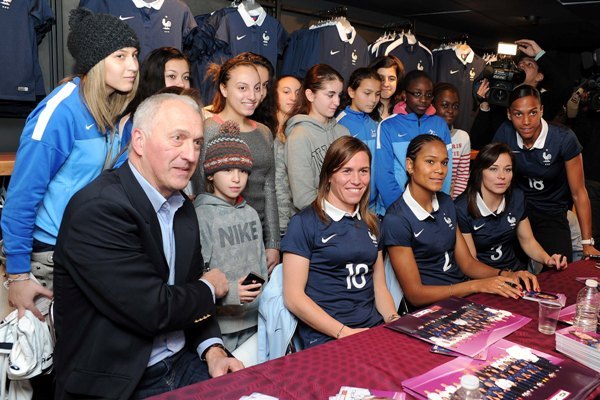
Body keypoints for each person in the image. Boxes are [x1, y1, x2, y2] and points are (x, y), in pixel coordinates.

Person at [53, 93, 244, 399]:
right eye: (178, 138)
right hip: (119, 380)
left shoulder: (182, 207)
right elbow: (152, 308)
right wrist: (211, 288)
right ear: (139, 142)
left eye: (196, 142)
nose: (190, 155)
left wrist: (214, 351)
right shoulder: (98, 209)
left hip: (182, 363)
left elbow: (190, 294)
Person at [0, 7, 140, 320]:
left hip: (93, 246)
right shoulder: (59, 113)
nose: (132, 66)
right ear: (95, 61)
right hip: (52, 254)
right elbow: (21, 199)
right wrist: (19, 275)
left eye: (134, 55)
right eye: (120, 56)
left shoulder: (117, 110)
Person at [381, 135, 539, 310]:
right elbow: (416, 294)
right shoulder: (396, 219)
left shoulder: (446, 202)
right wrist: (475, 285)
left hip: (463, 296)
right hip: (432, 308)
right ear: (410, 165)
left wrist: (506, 275)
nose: (440, 170)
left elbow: (467, 264)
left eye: (444, 162)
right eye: (430, 162)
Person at [282, 136, 398, 349]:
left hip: (372, 328)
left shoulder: (373, 223)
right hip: (327, 337)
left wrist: (393, 320)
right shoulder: (304, 223)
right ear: (328, 176)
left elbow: (379, 286)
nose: (357, 180)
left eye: (363, 171)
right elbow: (293, 297)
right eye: (347, 171)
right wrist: (344, 333)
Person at [493, 85, 600, 262]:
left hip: (551, 213)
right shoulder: (505, 132)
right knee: (510, 269)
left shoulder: (563, 138)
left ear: (542, 110)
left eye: (533, 112)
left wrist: (587, 242)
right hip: (516, 210)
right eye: (518, 114)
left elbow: (579, 192)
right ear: (509, 114)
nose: (526, 121)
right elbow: (490, 175)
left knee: (559, 266)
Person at [194, 56, 280, 272]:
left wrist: (272, 243)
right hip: (222, 238)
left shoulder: (264, 132)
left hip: (256, 233)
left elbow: (269, 188)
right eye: (242, 88)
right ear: (224, 88)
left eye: (257, 88)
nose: (252, 96)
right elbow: (199, 189)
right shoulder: (208, 130)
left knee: (255, 297)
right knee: (227, 298)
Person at [194, 120, 268, 352]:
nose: (236, 178)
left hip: (256, 320)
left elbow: (261, 264)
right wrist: (231, 294)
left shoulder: (251, 213)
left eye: (243, 171)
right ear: (210, 175)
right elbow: (197, 276)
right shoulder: (201, 215)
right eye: (227, 170)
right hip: (220, 327)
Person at [455, 142, 567, 272]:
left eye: (507, 169)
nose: (502, 176)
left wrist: (547, 259)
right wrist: (504, 277)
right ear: (480, 171)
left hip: (515, 271)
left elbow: (528, 241)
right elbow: (471, 263)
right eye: (493, 169)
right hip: (484, 278)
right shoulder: (461, 208)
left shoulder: (517, 197)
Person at [375, 70, 452, 214]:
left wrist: (439, 205)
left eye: (428, 95)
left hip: (431, 208)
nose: (423, 100)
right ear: (404, 94)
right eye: (417, 94)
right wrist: (401, 210)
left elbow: (446, 169)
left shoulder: (440, 125)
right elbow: (384, 174)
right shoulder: (388, 126)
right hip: (395, 209)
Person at [471, 39, 571, 149]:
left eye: (529, 64)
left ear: (539, 76)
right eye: (520, 63)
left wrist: (539, 54)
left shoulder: (543, 101)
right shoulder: (501, 98)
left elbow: (565, 88)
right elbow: (477, 142)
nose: (522, 66)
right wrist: (485, 104)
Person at [284, 64, 350, 213]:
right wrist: (337, 212)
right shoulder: (299, 136)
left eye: (339, 95)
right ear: (310, 95)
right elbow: (303, 198)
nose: (337, 102)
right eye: (330, 95)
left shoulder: (343, 132)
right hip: (316, 222)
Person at [114, 46, 192, 167]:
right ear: (154, 79)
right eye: (172, 76)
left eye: (186, 77)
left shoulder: (191, 120)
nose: (182, 84)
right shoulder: (133, 123)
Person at [336, 67, 382, 212]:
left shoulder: (375, 124)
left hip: (373, 205)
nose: (373, 99)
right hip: (348, 205)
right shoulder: (339, 123)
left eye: (377, 94)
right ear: (351, 92)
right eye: (367, 93)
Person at [272, 75, 302, 236]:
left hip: (298, 218)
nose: (293, 97)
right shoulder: (266, 131)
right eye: (286, 91)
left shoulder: (302, 130)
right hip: (271, 218)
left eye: (298, 93)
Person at [433, 82, 471, 199]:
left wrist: (453, 205)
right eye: (445, 105)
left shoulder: (463, 137)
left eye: (455, 106)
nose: (451, 111)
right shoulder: (423, 136)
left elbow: (462, 177)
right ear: (432, 105)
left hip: (450, 203)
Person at [368, 55, 405, 121]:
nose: (386, 84)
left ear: (398, 81)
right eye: (381, 78)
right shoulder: (364, 108)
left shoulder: (405, 110)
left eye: (391, 79)